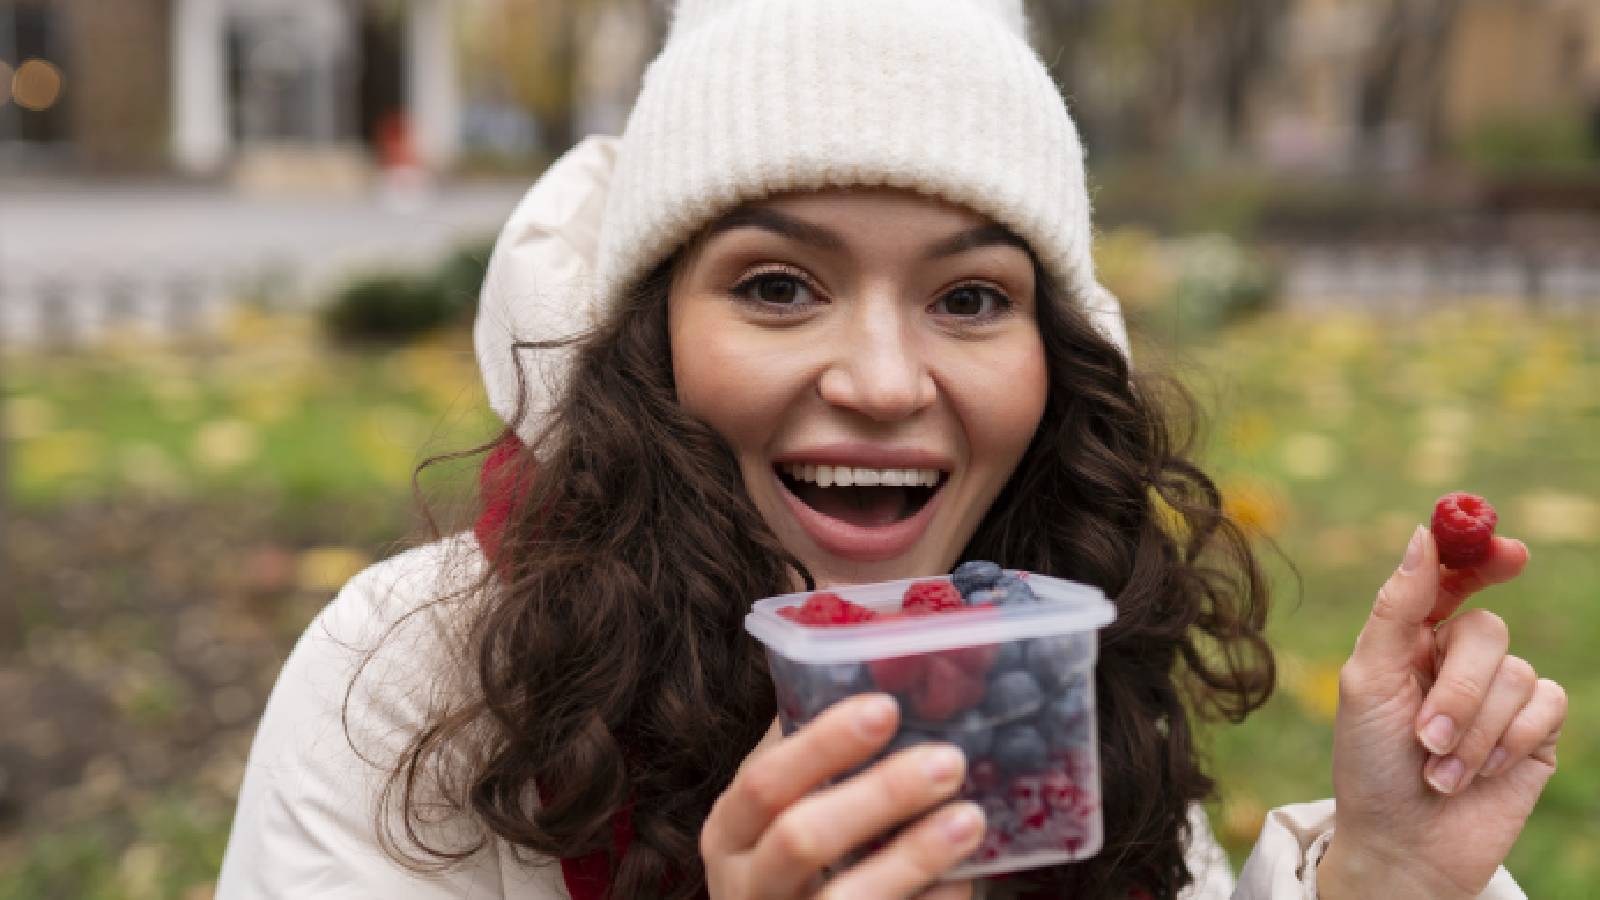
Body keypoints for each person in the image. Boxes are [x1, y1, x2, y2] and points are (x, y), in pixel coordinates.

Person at [215, 1, 1566, 897]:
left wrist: (1385, 875)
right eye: (777, 287)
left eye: (971, 298)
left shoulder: (1058, 646)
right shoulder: (415, 678)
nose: (878, 382)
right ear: (650, 336)